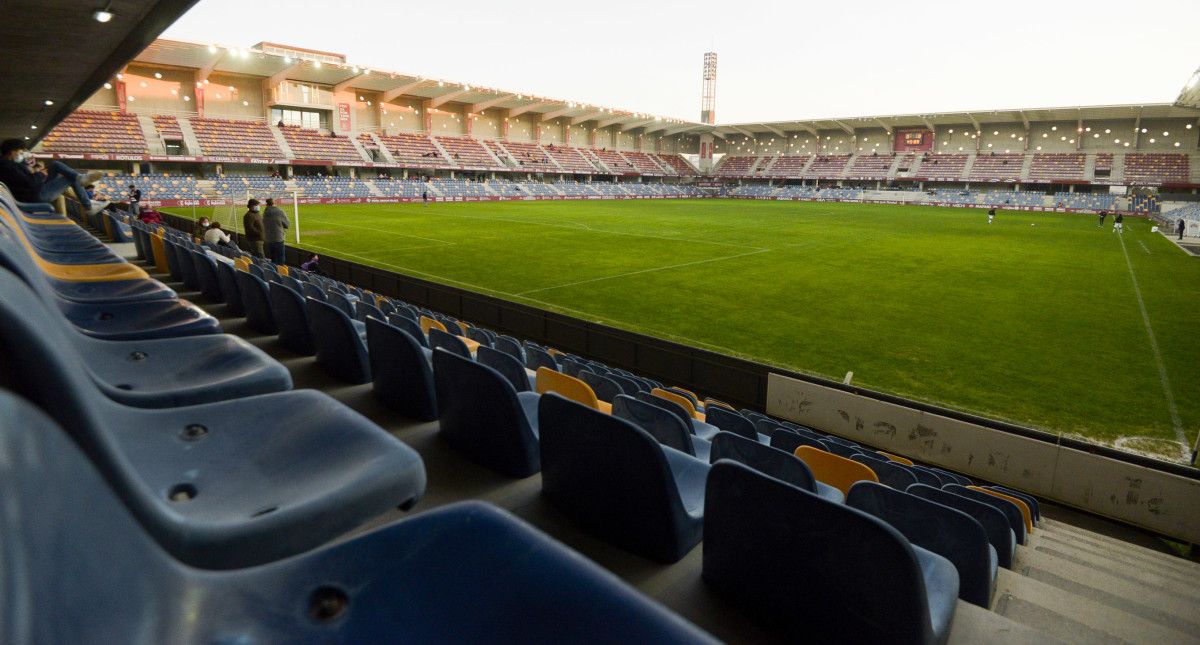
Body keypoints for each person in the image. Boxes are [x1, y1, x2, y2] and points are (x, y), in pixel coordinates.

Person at [0, 138, 108, 214]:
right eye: (21, 151)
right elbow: (30, 182)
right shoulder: (8, 166)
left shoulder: (10, 164)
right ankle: (88, 206)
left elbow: (24, 179)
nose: (23, 153)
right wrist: (40, 174)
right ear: (12, 151)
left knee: (56, 165)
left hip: (34, 191)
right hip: (35, 196)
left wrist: (31, 167)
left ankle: (82, 181)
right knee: (69, 178)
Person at [262, 197, 289, 264]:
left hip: (268, 239)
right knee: (281, 259)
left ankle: (274, 273)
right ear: (274, 203)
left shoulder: (265, 212)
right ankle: (280, 273)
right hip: (278, 238)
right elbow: (287, 224)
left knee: (273, 258)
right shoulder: (279, 211)